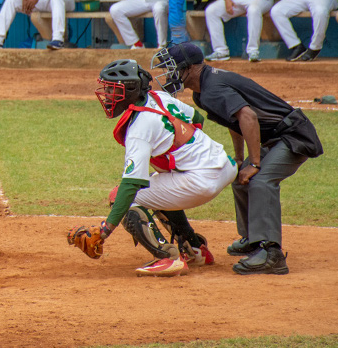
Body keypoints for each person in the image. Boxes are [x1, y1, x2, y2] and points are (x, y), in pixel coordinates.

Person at [151, 42, 323, 275]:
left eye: (172, 68)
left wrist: (254, 162)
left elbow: (248, 117)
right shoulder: (202, 92)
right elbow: (233, 121)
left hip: (294, 136)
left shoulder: (211, 88)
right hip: (277, 138)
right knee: (238, 176)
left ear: (188, 68)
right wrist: (241, 159)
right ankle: (253, 238)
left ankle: (271, 253)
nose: (168, 74)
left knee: (261, 180)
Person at [67, 59, 237, 277]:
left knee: (124, 195)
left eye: (112, 89)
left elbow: (130, 185)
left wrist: (105, 230)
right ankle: (194, 249)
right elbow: (196, 118)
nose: (107, 95)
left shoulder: (140, 127)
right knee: (159, 183)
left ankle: (167, 257)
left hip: (200, 181)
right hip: (224, 166)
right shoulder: (159, 97)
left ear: (128, 91)